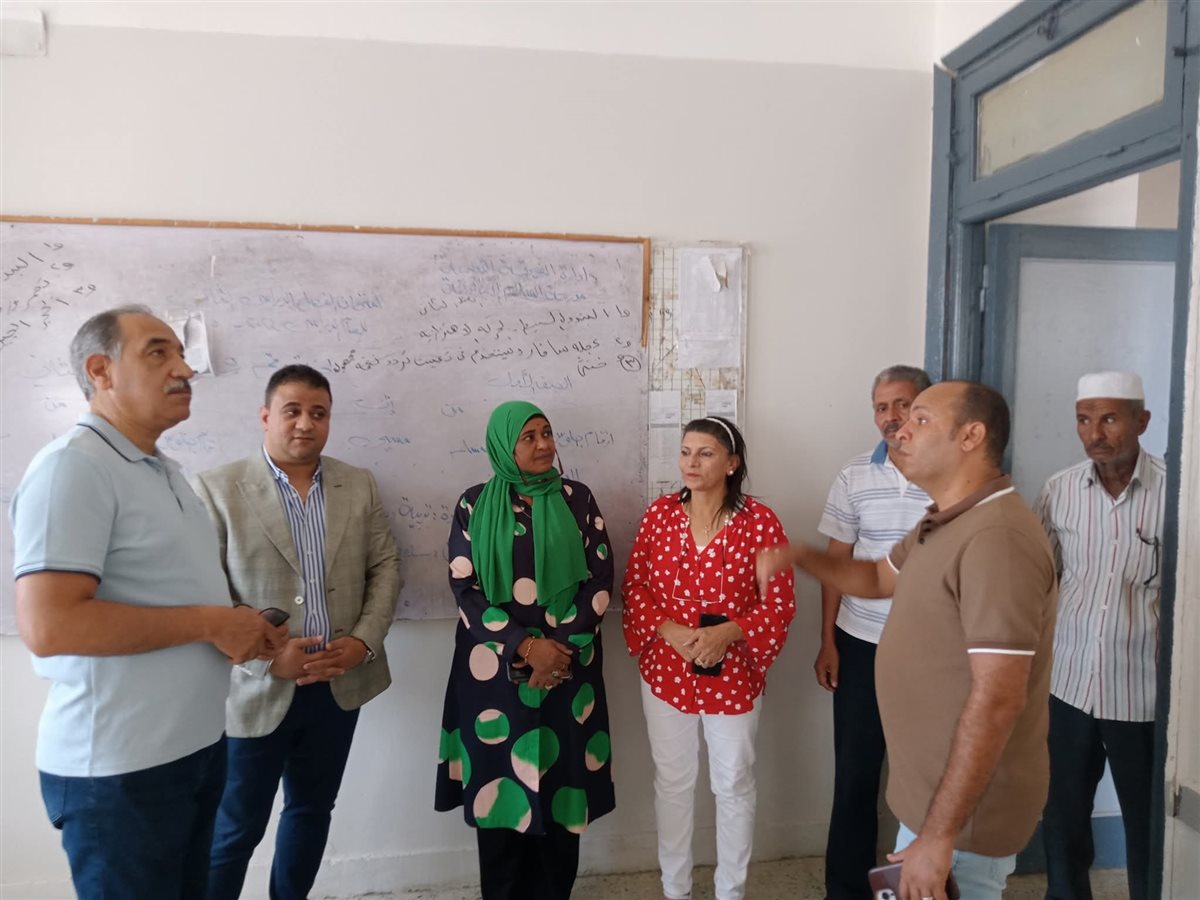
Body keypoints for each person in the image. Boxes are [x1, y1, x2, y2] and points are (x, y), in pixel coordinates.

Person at [9, 304, 284, 900]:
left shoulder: (164, 471)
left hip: (193, 750)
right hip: (120, 772)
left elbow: (167, 595)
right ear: (100, 371)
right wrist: (212, 623)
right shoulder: (73, 467)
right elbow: (51, 625)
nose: (184, 368)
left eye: (181, 354)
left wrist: (236, 623)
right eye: (158, 353)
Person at [758, 382, 1057, 900]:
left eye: (920, 419)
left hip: (962, 823)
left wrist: (939, 837)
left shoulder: (997, 541)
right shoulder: (942, 520)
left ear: (970, 436)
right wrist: (802, 556)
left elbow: (999, 698)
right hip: (934, 806)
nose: (900, 431)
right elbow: (877, 578)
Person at [192, 364, 403, 900]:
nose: (305, 423)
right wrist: (267, 658)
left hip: (337, 684)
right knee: (235, 828)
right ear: (266, 416)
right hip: (254, 690)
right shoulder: (218, 489)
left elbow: (385, 567)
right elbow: (204, 593)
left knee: (311, 810)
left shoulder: (358, 483)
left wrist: (362, 643)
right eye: (292, 411)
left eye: (318, 413)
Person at [435, 400, 615, 900]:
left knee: (561, 796)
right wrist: (526, 645)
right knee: (500, 797)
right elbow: (465, 589)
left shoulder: (578, 499)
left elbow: (600, 581)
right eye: (529, 436)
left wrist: (558, 651)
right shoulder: (473, 504)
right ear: (503, 445)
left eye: (547, 433)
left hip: (567, 671)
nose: (543, 445)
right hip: (494, 674)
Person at [623, 416, 796, 900]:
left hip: (733, 674)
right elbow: (635, 586)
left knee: (734, 783)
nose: (691, 463)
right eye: (685, 452)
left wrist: (729, 632)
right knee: (672, 783)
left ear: (732, 463)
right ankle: (674, 889)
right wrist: (669, 629)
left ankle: (730, 892)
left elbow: (780, 603)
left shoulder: (760, 523)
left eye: (705, 453)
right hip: (666, 670)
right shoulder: (660, 516)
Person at [1034, 371, 1165, 900]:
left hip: (1143, 690)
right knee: (1063, 813)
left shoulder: (1177, 492)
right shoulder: (1059, 490)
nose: (1095, 433)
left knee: (1148, 822)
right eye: (1084, 419)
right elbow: (1042, 578)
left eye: (1109, 418)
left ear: (1141, 420)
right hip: (1069, 682)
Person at [816, 365, 932, 900]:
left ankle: (923, 885)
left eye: (901, 404)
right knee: (856, 777)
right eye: (881, 407)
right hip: (860, 645)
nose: (891, 416)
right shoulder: (855, 474)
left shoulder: (951, 473)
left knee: (928, 777)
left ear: (925, 406)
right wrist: (827, 641)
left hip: (931, 653)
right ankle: (845, 890)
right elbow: (836, 564)